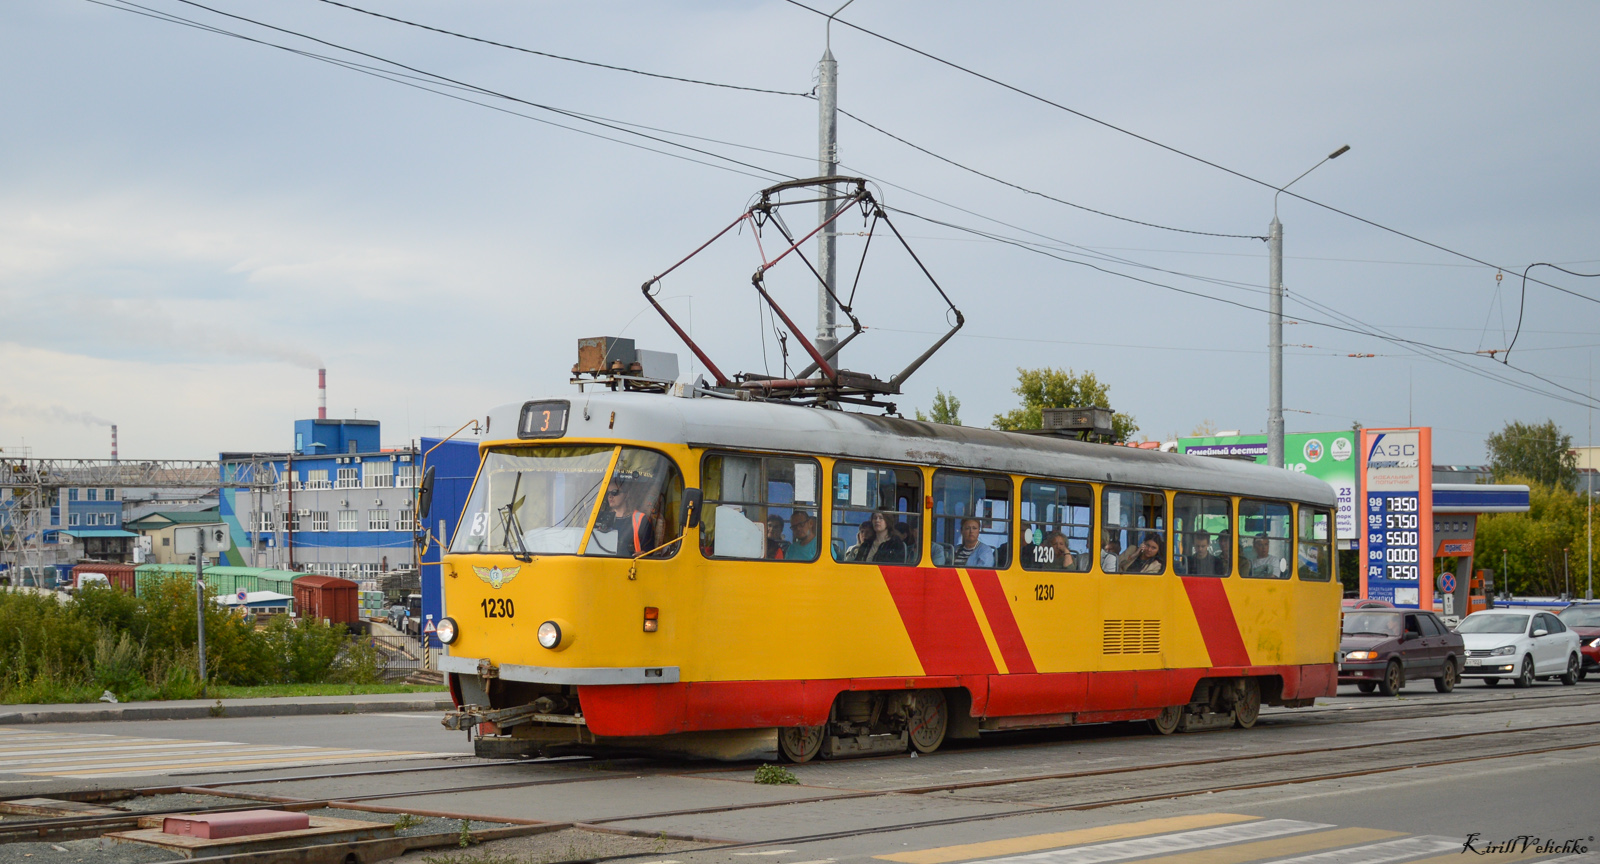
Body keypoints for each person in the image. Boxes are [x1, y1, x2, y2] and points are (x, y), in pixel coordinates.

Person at [594, 481, 654, 557]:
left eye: (614, 492)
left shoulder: (640, 518)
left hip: (630, 565)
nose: (610, 496)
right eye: (608, 493)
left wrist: (643, 553)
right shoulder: (599, 517)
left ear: (627, 494)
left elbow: (650, 548)